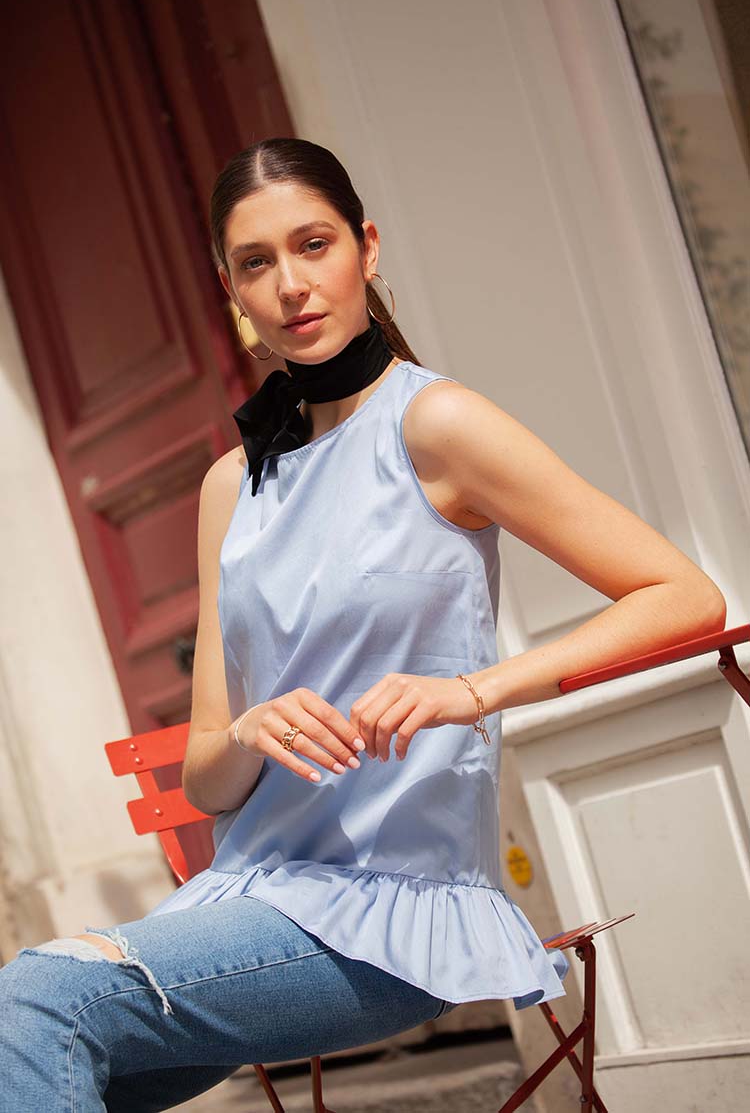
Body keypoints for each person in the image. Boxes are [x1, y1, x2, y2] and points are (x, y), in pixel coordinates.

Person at [0, 137, 725, 1110]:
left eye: (314, 244)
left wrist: (472, 690)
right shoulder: (231, 485)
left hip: (399, 911)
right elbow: (208, 780)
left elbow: (682, 594)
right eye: (256, 262)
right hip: (247, 897)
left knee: (38, 999)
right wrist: (248, 731)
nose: (291, 284)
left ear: (366, 248)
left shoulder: (438, 426)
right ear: (231, 287)